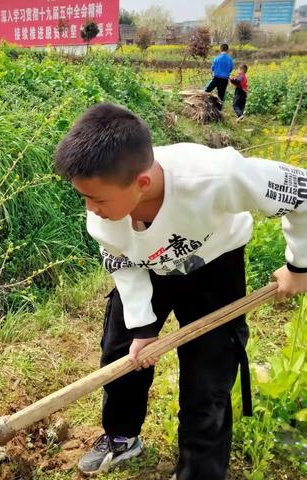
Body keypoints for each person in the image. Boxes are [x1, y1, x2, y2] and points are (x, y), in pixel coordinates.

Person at [54, 103, 307, 479]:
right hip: (146, 269)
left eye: (99, 199)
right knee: (121, 355)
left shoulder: (216, 176)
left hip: (215, 265)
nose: (91, 209)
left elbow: (302, 194)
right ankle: (122, 436)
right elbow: (123, 266)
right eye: (84, 198)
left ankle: (199, 471)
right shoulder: (103, 221)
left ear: (140, 183)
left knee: (209, 375)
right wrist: (143, 329)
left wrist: (299, 266)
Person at [205, 43, 234, 108]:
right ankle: (219, 111)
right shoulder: (230, 59)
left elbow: (212, 68)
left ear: (220, 49)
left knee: (207, 90)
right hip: (225, 79)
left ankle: (205, 105)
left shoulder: (216, 58)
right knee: (221, 96)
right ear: (227, 50)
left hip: (216, 78)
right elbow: (231, 69)